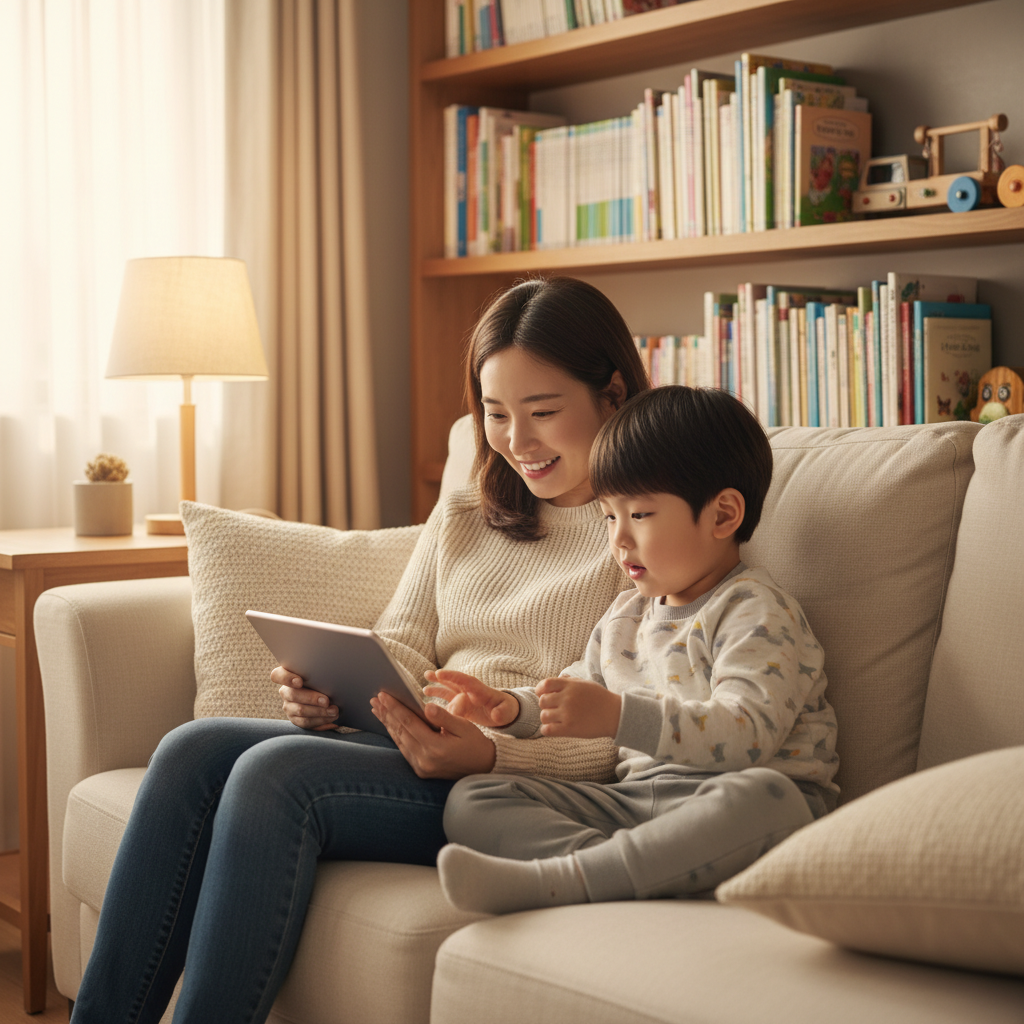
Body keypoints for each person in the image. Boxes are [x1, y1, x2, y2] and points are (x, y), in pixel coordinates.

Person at [69, 277, 649, 1024]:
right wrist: (338, 689)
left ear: (612, 395)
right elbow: (402, 640)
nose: (517, 441)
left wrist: (489, 752)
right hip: (420, 748)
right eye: (496, 414)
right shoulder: (471, 507)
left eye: (542, 413)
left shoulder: (642, 532)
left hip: (515, 786)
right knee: (190, 752)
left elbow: (613, 733)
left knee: (278, 775)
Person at [428, 386, 840, 915]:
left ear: (723, 515)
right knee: (473, 800)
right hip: (639, 806)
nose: (619, 539)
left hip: (737, 806)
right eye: (608, 516)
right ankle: (621, 871)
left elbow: (748, 737)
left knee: (771, 798)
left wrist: (620, 717)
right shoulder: (625, 617)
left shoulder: (755, 611)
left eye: (640, 515)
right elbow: (575, 689)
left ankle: (579, 878)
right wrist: (513, 709)